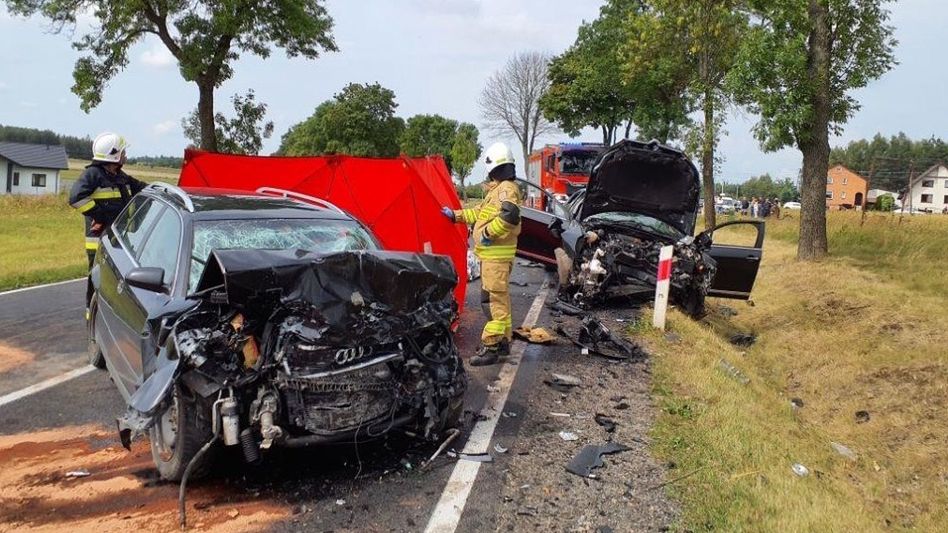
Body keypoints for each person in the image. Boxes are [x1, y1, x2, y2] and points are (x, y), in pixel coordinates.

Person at [441, 142, 522, 366]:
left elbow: (510, 215)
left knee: (492, 302)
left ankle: (492, 346)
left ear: (494, 166)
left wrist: (487, 232)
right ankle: (504, 341)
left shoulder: (505, 188)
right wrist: (455, 215)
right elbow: (479, 212)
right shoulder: (498, 190)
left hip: (496, 257)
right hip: (493, 258)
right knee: (499, 300)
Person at [69, 132, 146, 318]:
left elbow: (142, 188)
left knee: (115, 280)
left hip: (117, 239)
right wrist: (100, 216)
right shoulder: (92, 175)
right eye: (123, 152)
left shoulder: (119, 176)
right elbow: (76, 198)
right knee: (96, 278)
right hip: (98, 241)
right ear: (114, 155)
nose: (125, 155)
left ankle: (111, 316)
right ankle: (92, 317)